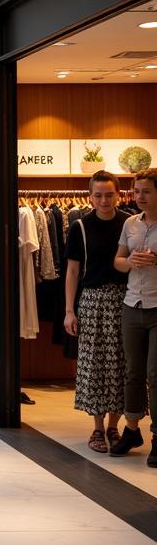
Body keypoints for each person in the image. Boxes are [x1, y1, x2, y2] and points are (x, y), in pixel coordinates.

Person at [63, 171, 129, 453]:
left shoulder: (130, 223)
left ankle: (116, 425)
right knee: (94, 365)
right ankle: (98, 428)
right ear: (90, 196)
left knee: (123, 364)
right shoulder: (80, 226)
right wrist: (69, 310)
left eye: (109, 194)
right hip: (92, 300)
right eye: (98, 194)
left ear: (118, 194)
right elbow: (73, 270)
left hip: (126, 300)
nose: (104, 200)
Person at [112, 168, 157, 466]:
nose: (139, 197)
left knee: (156, 374)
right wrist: (129, 261)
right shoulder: (130, 223)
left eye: (146, 191)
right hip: (132, 305)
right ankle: (131, 430)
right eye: (137, 191)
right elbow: (118, 262)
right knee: (133, 372)